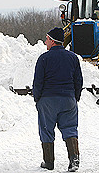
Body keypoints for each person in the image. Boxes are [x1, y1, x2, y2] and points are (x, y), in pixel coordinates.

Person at [32, 27, 83, 172]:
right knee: (70, 129)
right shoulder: (73, 57)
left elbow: (38, 82)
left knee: (47, 129)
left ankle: (49, 162)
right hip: (68, 99)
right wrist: (75, 97)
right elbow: (78, 80)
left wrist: (38, 99)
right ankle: (74, 161)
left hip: (48, 100)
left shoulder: (44, 58)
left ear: (53, 41)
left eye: (47, 39)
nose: (45, 42)